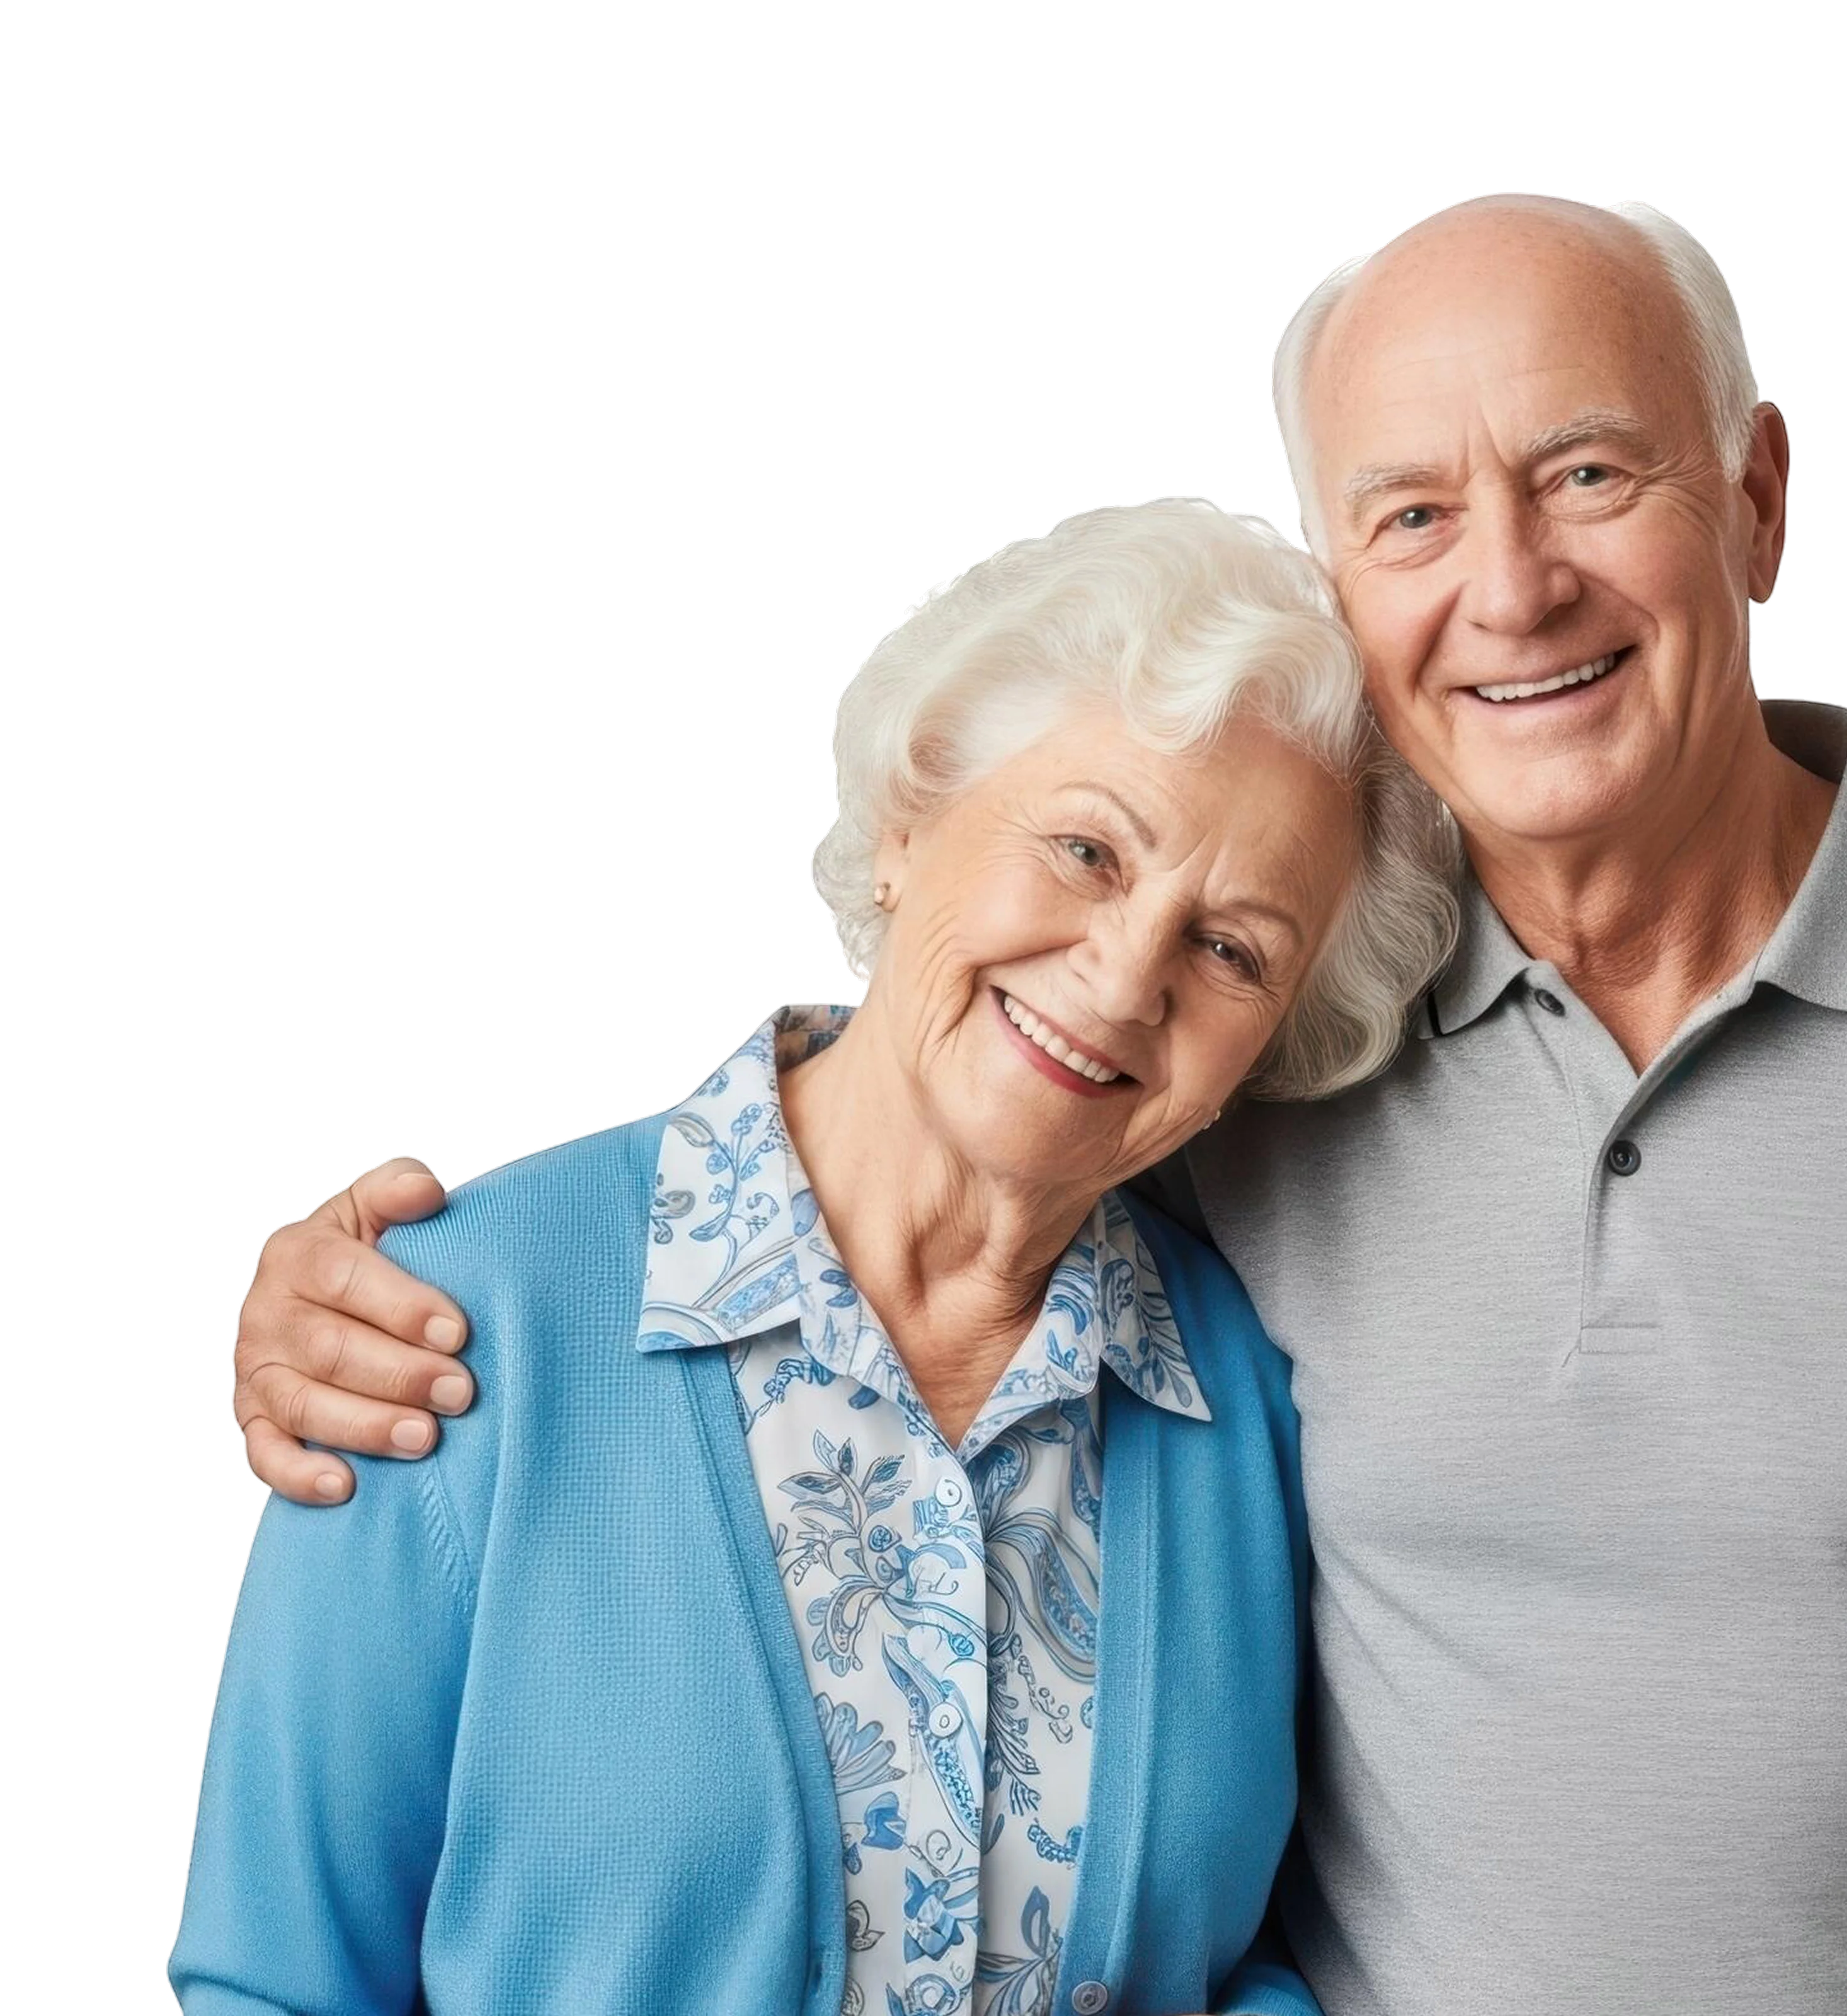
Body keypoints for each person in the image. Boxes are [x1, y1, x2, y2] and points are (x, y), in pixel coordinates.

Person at [220, 195, 1847, 2012]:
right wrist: (352, 1296)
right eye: (1411, 512)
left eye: (1589, 470)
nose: (1512, 582)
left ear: (1750, 498)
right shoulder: (512, 1323)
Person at [171, 497, 1461, 2015]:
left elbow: (1225, 1962)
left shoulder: (1244, 1402)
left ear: (1275, 1039)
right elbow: (274, 1985)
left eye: (1232, 948)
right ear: (913, 822)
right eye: (1086, 849)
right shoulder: (451, 1325)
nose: (1124, 980)